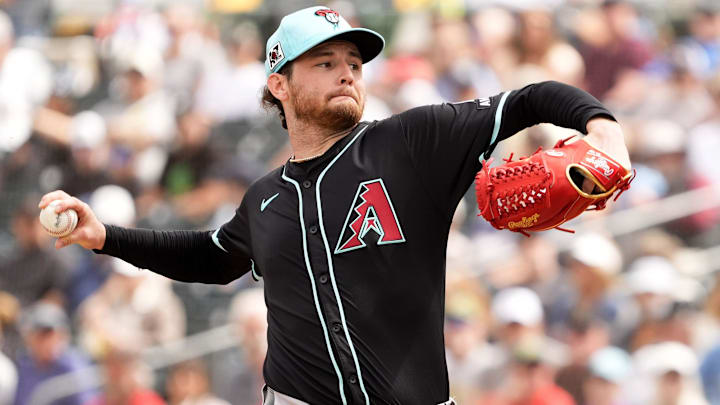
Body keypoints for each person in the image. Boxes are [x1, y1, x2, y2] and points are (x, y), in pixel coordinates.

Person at [38, 5, 631, 405]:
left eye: (353, 63)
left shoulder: (410, 142)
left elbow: (529, 99)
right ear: (279, 84)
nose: (347, 73)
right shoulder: (265, 197)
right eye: (324, 63)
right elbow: (210, 257)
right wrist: (105, 236)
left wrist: (600, 126)